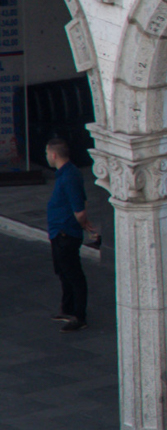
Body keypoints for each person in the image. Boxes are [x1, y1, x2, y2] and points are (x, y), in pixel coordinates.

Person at [45, 137, 97, 332]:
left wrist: (83, 224)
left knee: (73, 274)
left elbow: (79, 209)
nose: (46, 157)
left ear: (53, 155)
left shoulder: (69, 177)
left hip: (66, 233)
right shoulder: (66, 174)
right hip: (59, 232)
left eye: (47, 153)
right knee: (63, 271)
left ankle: (79, 315)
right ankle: (67, 308)